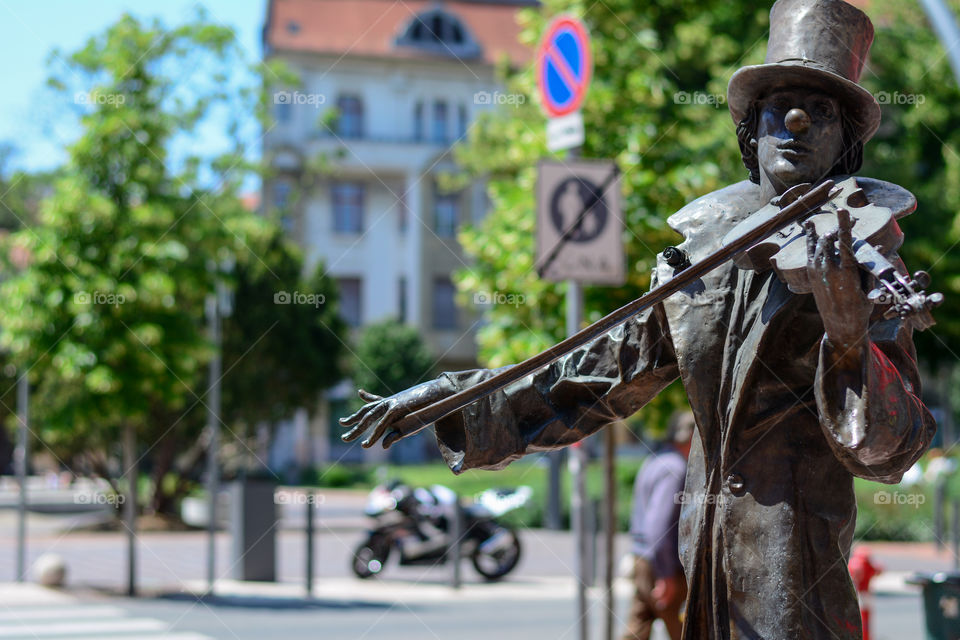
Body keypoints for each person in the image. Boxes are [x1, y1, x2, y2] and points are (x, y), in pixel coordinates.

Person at [341, 1, 936, 637]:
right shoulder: (705, 251)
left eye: (820, 112)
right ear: (751, 132)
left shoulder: (865, 259)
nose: (795, 123)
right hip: (705, 570)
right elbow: (595, 376)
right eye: (777, 108)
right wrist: (455, 399)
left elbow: (891, 449)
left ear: (844, 141)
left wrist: (849, 340)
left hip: (800, 582)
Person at [623, 411, 694, 640]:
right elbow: (659, 524)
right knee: (686, 632)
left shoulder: (656, 459)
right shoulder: (676, 468)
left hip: (643, 558)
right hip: (662, 565)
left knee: (637, 630)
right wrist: (666, 575)